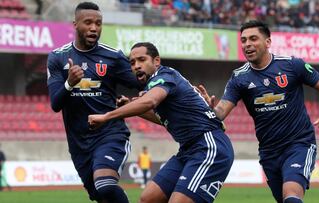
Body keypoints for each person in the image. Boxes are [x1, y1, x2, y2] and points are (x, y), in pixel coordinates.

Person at [198, 20, 319, 203]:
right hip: (269, 151)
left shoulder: (292, 66)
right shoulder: (239, 77)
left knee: (291, 194)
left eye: (253, 39)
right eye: (243, 40)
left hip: (299, 144)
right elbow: (221, 112)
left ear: (268, 42)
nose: (247, 44)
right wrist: (209, 108)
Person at [88, 42, 234, 203]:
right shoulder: (157, 85)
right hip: (188, 149)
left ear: (156, 61)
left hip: (209, 146)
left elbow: (149, 102)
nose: (136, 66)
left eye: (141, 60)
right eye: (132, 62)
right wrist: (129, 106)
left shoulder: (164, 76)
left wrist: (107, 116)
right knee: (149, 198)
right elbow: (162, 119)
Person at [46, 2, 140, 203]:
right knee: (101, 196)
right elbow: (55, 103)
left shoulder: (113, 57)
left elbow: (141, 83)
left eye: (98, 23)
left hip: (110, 134)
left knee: (105, 185)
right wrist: (70, 83)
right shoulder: (57, 57)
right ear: (75, 24)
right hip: (79, 143)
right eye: (88, 22)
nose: (94, 28)